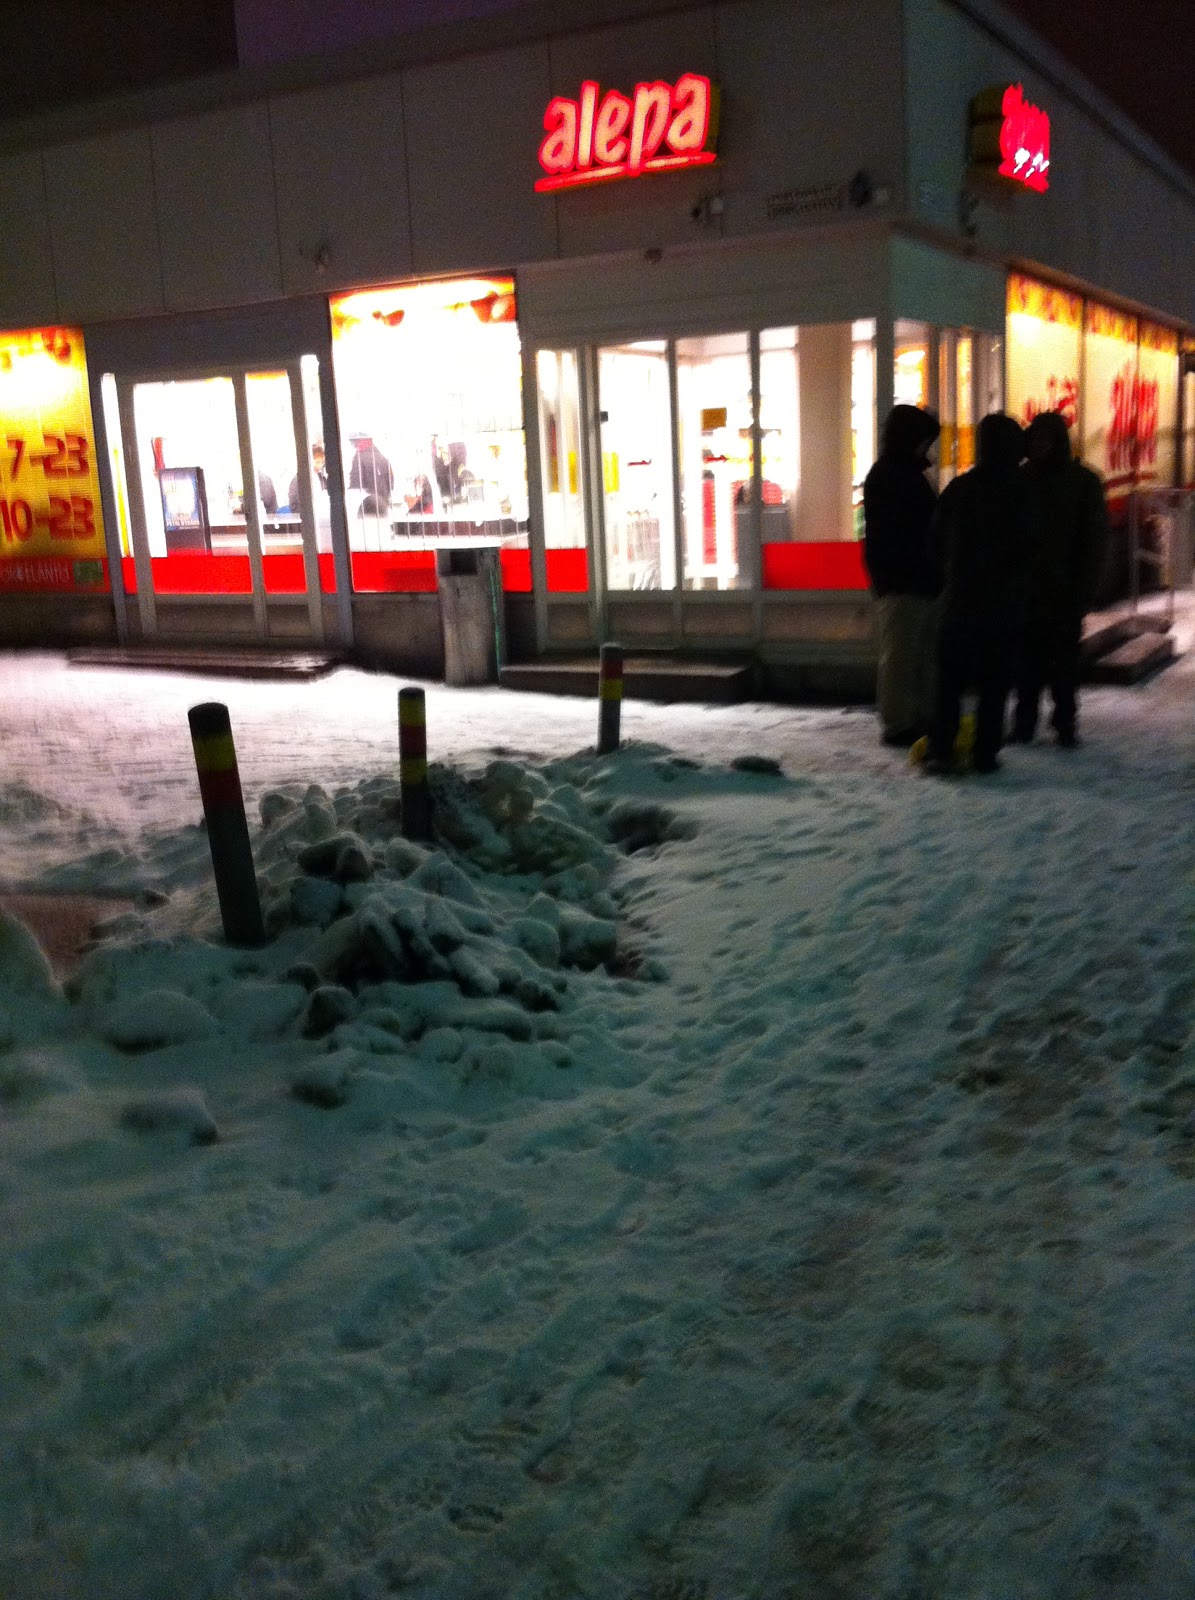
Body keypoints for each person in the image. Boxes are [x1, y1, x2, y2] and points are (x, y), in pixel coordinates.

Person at [925, 412, 1033, 775]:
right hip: (1004, 606)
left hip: (959, 602)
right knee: (994, 684)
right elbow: (1033, 548)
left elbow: (935, 543)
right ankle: (985, 752)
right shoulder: (1022, 491)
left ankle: (942, 748)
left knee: (949, 682)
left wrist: (951, 575)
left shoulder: (960, 488)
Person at [1010, 410, 1109, 748]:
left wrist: (1085, 590)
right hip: (1030, 591)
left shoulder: (1080, 482)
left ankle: (1064, 722)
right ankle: (1028, 722)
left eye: (1046, 439)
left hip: (1063, 591)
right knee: (1028, 664)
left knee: (1062, 664)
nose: (1039, 446)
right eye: (1035, 439)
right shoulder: (1025, 479)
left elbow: (1094, 542)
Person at [862, 404, 942, 746]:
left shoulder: (899, 473)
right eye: (925, 440)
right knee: (904, 655)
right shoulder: (896, 476)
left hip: (911, 579)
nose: (928, 447)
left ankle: (911, 718)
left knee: (913, 654)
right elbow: (900, 533)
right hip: (905, 580)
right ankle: (900, 722)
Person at [347, 434, 394, 506]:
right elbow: (390, 483)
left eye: (354, 442)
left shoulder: (359, 458)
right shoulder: (382, 458)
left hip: (367, 504)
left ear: (360, 441)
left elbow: (356, 484)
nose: (354, 445)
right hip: (382, 502)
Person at [287, 440, 327, 511]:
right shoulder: (299, 479)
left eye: (322, 463)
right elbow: (294, 505)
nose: (320, 466)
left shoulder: (318, 476)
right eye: (317, 462)